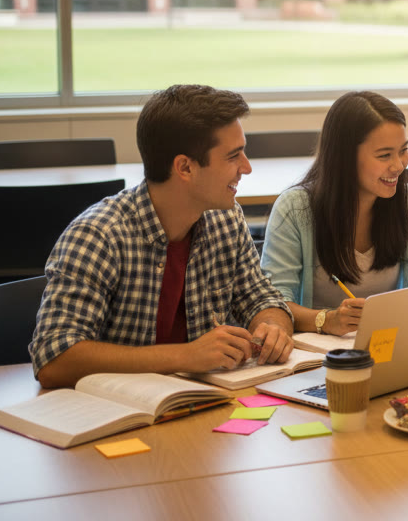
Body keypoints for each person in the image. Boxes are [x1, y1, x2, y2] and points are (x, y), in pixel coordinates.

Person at [30, 85, 294, 389]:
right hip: (119, 414)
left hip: (198, 406)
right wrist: (185, 356)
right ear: (185, 167)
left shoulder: (225, 218)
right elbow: (53, 359)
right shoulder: (99, 234)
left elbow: (262, 297)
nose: (246, 168)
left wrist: (272, 326)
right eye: (233, 156)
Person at [260, 91, 408, 335]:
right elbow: (274, 304)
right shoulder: (295, 209)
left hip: (388, 343)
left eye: (403, 150)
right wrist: (327, 320)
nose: (398, 165)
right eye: (384, 155)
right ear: (345, 158)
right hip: (319, 357)